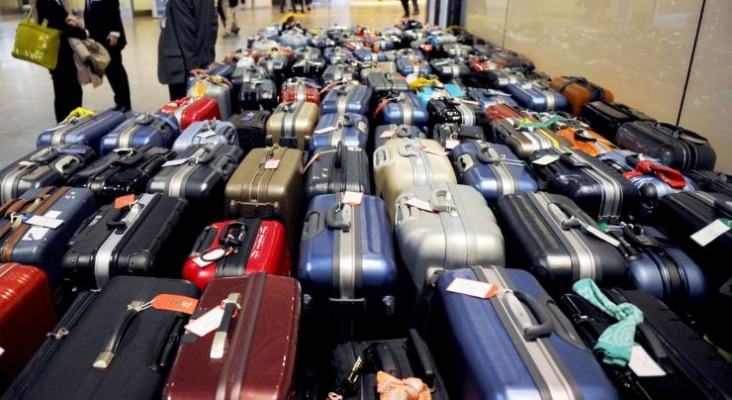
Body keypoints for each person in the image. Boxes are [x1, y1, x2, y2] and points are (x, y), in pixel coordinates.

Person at [35, 0, 90, 122]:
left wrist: (71, 21)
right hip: (57, 54)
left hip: (63, 52)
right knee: (64, 91)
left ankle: (73, 118)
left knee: (72, 89)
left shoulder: (55, 1)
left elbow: (62, 18)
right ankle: (64, 122)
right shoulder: (45, 2)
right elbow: (57, 25)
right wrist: (82, 33)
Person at [157, 0, 218, 101]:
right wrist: (208, 60)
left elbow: (184, 30)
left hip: (182, 65)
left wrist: (192, 65)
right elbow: (212, 26)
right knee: (200, 104)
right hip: (200, 60)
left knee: (183, 106)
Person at [84, 0, 132, 112]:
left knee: (116, 70)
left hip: (110, 39)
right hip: (98, 39)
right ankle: (119, 100)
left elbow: (114, 7)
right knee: (110, 71)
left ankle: (124, 103)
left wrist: (114, 33)